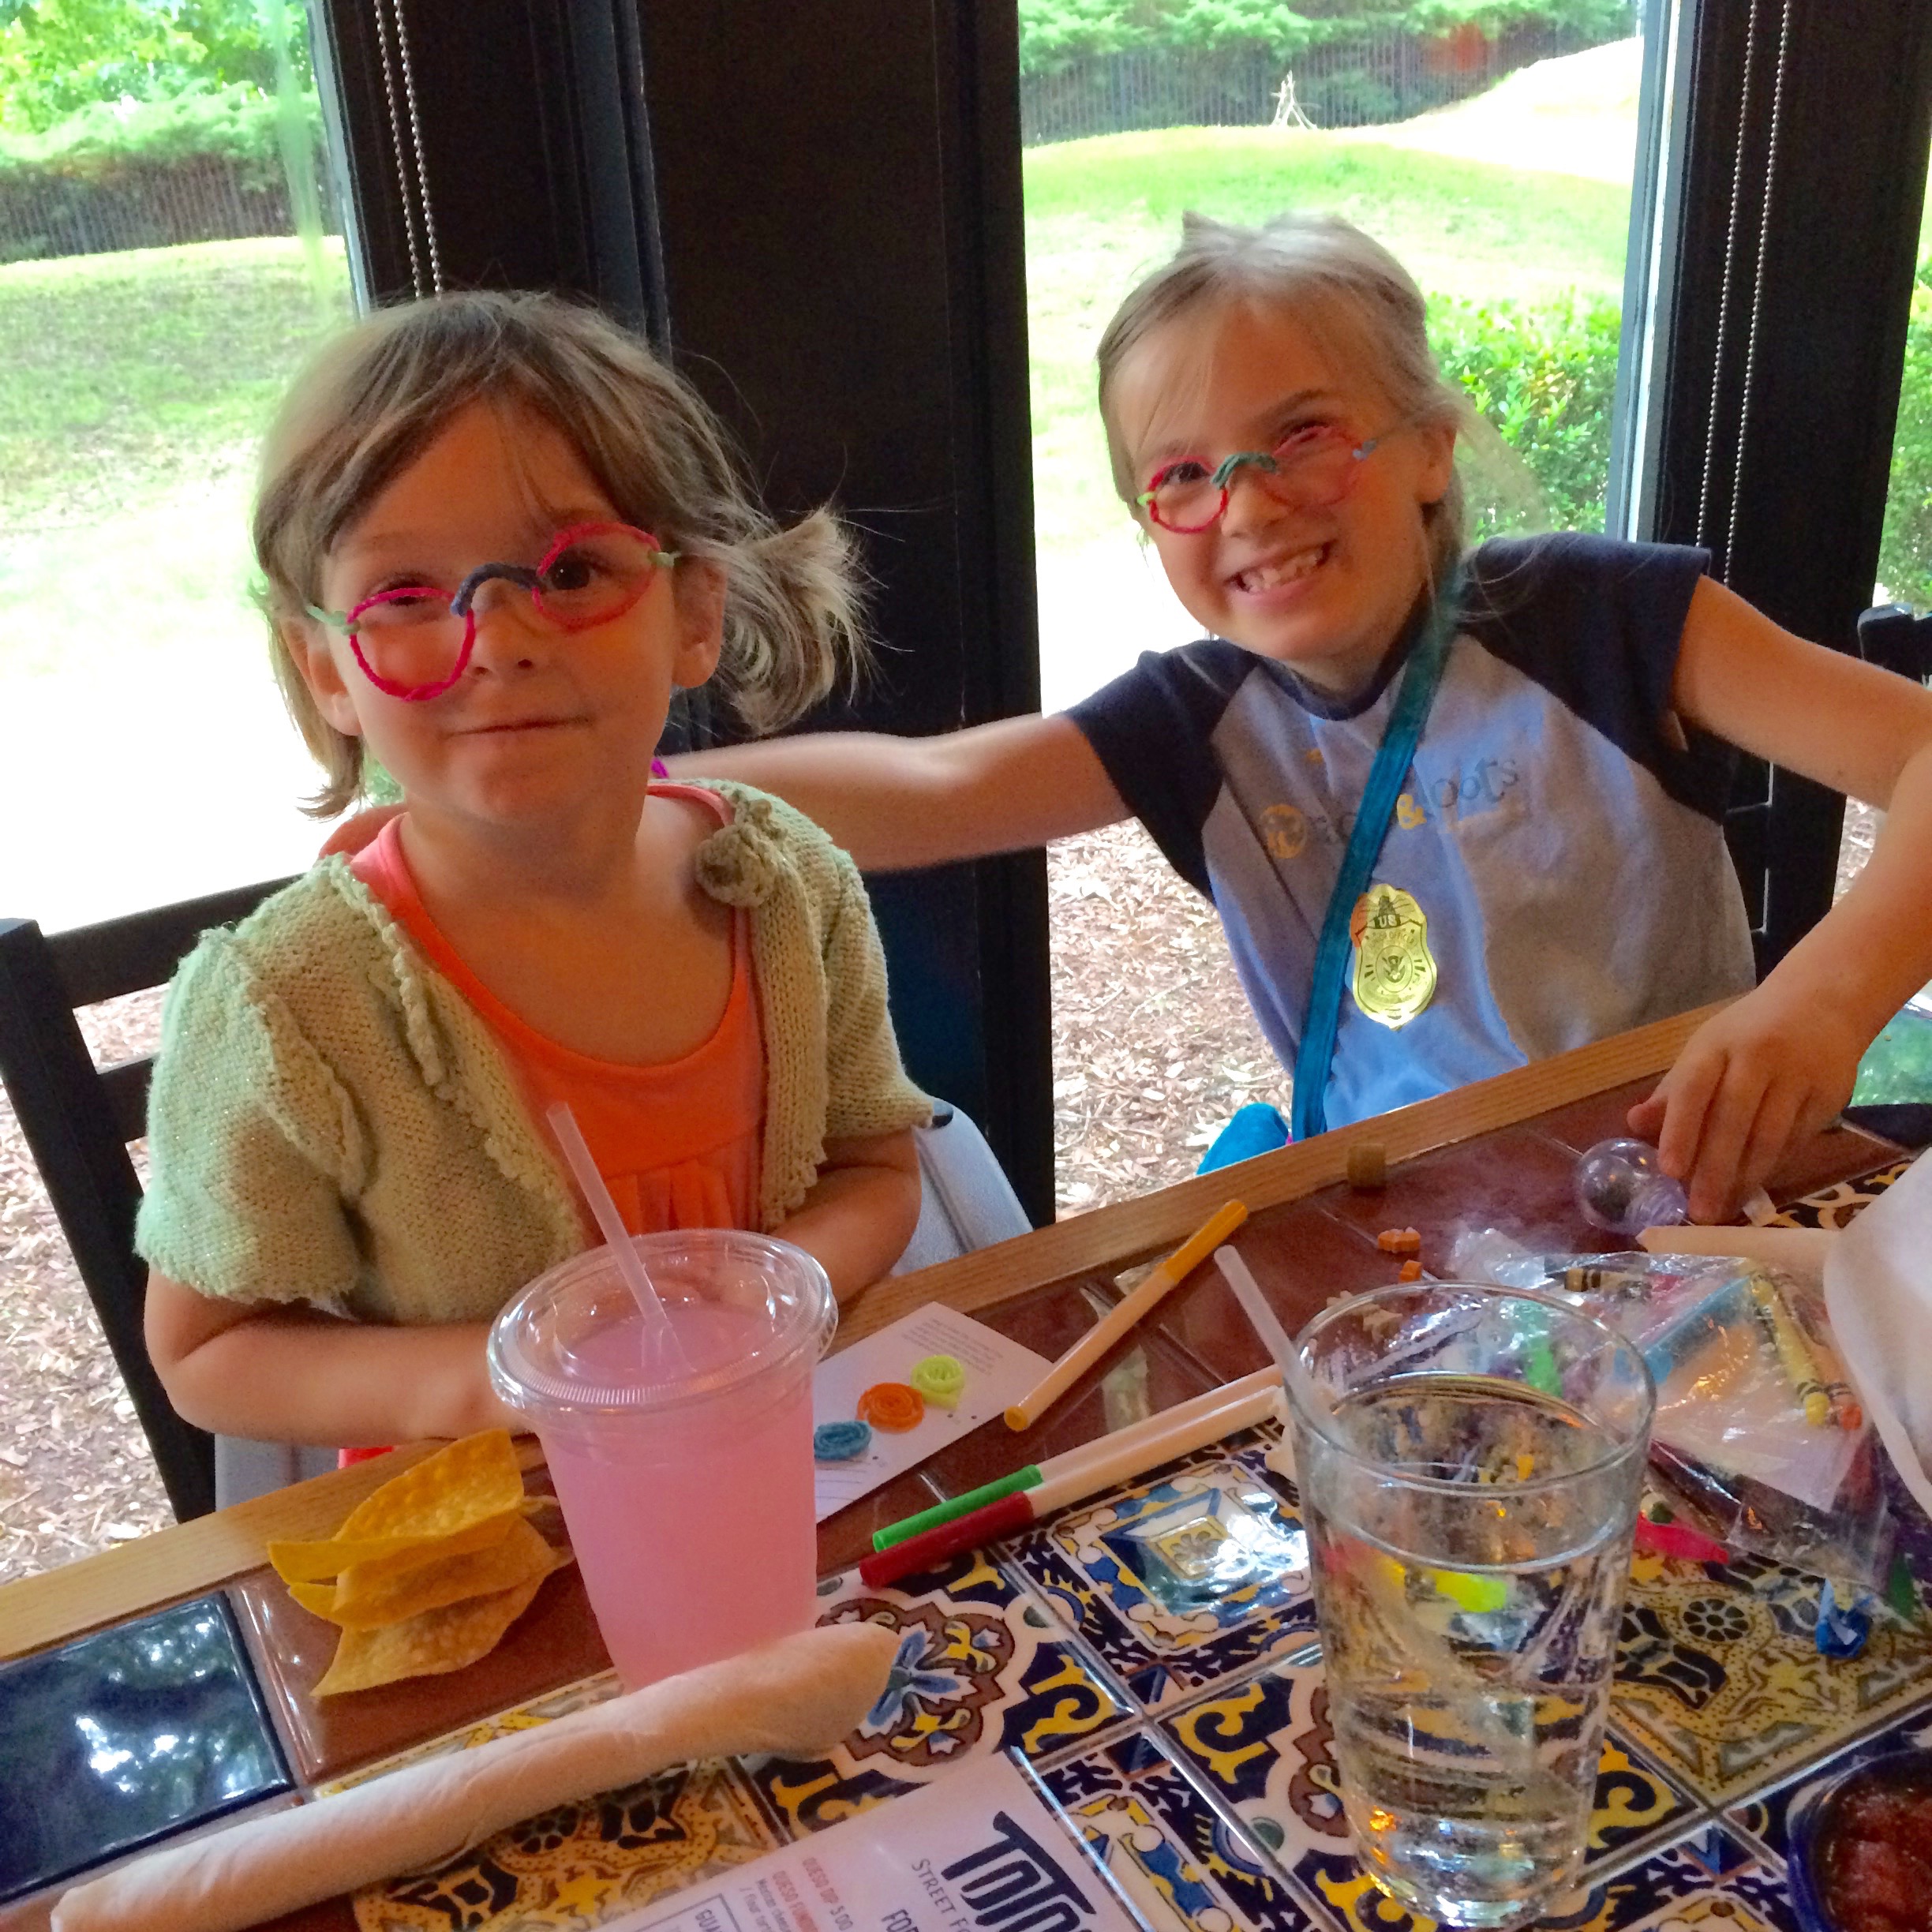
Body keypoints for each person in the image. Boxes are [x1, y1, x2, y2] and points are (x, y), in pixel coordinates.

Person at [666, 211, 1932, 1222]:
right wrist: (639, 792)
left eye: (1304, 436)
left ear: (1430, 447)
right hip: (1404, 1234)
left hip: (1674, 1205)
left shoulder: (1607, 621)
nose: (1250, 505)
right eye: (1183, 475)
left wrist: (1825, 1002)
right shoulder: (1198, 719)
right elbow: (937, 788)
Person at [139, 291, 930, 1451]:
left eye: (572, 573)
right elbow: (209, 1351)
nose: (501, 640)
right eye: (406, 595)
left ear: (694, 611)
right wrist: (520, 1382)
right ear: (326, 668)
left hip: (776, 1463)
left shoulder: (788, 889)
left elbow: (876, 1171)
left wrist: (757, 1311)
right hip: (497, 1525)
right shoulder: (286, 1005)